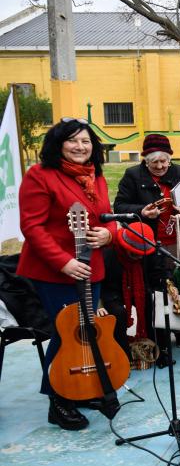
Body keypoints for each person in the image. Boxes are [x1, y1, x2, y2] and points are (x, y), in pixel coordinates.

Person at [17, 118, 117, 431]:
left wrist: (108, 234)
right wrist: (63, 262)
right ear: (58, 144)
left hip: (91, 269)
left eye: (86, 141)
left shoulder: (95, 175)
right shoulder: (40, 175)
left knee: (87, 329)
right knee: (66, 333)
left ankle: (80, 388)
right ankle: (57, 400)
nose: (80, 147)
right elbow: (31, 226)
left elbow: (106, 216)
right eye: (72, 141)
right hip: (54, 273)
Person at [113, 134, 180, 350]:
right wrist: (142, 211)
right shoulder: (133, 175)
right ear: (145, 160)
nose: (161, 166)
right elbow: (119, 206)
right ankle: (157, 335)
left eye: (165, 161)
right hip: (148, 244)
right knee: (155, 291)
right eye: (155, 162)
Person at [99, 221, 157, 359]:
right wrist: (98, 304)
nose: (140, 257)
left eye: (142, 254)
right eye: (136, 255)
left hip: (136, 286)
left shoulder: (146, 252)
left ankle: (153, 343)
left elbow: (156, 272)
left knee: (150, 301)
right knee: (118, 313)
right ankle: (123, 354)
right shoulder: (107, 253)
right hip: (110, 290)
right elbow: (96, 281)